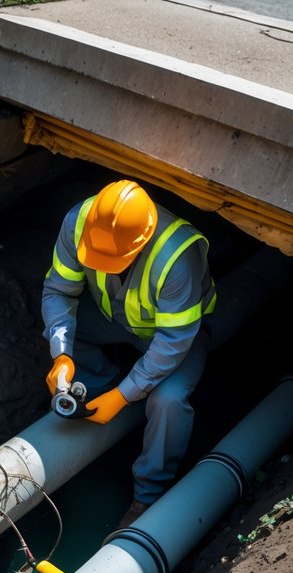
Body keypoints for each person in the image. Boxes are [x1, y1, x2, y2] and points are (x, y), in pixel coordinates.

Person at [42, 180, 215, 526]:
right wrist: (61, 354)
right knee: (69, 335)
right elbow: (58, 292)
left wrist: (124, 395)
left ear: (141, 242)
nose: (104, 267)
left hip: (174, 337)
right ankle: (93, 395)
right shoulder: (79, 223)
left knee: (168, 401)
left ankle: (148, 495)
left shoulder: (178, 256)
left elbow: (172, 341)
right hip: (115, 319)